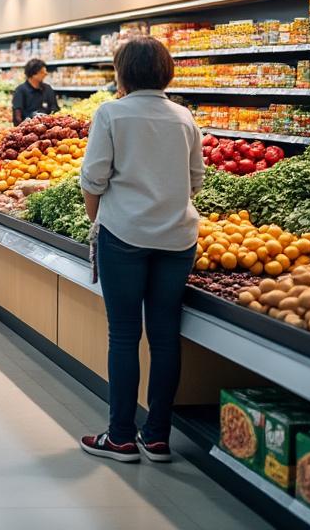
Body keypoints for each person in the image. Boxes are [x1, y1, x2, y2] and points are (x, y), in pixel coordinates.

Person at [78, 36, 203, 464]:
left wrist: (98, 221)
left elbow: (93, 180)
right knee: (166, 337)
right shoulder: (184, 117)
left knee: (125, 334)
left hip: (125, 236)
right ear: (166, 72)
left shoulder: (111, 113)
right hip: (177, 239)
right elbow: (195, 181)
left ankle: (121, 437)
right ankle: (157, 437)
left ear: (123, 72)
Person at [12, 58, 59, 125]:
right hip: (28, 130)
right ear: (33, 74)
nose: (46, 73)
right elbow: (17, 117)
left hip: (48, 129)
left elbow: (55, 109)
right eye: (42, 72)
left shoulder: (48, 89)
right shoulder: (20, 90)